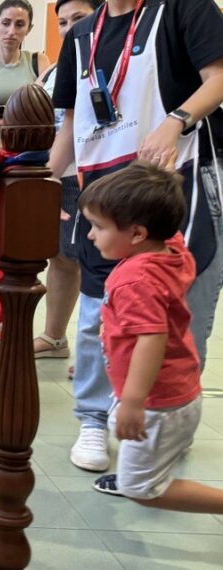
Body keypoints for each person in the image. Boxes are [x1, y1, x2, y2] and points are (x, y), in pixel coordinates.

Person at [50, 0, 223, 473]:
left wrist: (176, 120)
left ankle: (166, 414)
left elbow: (218, 77)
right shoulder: (81, 33)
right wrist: (44, 181)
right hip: (104, 191)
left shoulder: (186, 10)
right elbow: (71, 119)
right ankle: (92, 416)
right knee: (96, 312)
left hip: (171, 182)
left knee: (175, 310)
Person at [77, 163, 223, 514]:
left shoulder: (134, 281)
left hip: (157, 401)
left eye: (98, 227)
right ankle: (146, 468)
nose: (91, 236)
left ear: (138, 233)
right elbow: (166, 223)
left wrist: (133, 402)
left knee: (141, 490)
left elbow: (150, 339)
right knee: (143, 460)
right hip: (177, 390)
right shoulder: (172, 251)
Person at [31, 0, 99, 364]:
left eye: (80, 18)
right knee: (62, 257)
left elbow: (77, 128)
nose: (70, 27)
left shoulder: (103, 61)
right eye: (62, 21)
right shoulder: (57, 68)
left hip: (86, 175)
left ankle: (97, 348)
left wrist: (47, 178)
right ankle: (55, 337)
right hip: (58, 173)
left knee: (90, 259)